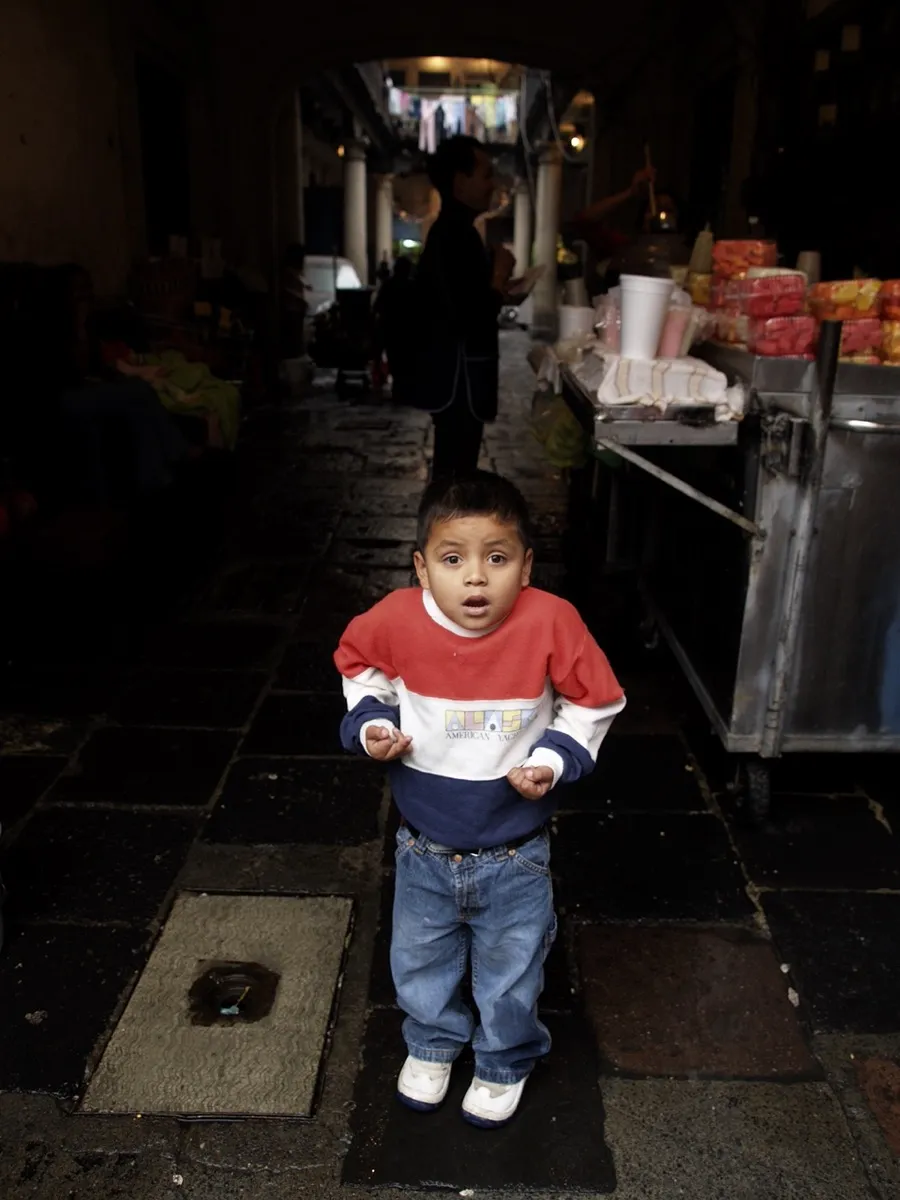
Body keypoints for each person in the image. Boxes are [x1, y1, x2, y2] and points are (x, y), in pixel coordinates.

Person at [334, 472, 625, 1127]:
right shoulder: (395, 619)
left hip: (515, 852)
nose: (474, 577)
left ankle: (503, 1059)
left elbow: (596, 700)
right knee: (418, 959)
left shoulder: (552, 621)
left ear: (526, 567)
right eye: (452, 559)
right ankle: (432, 1042)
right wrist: (373, 722)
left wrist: (552, 759)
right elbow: (357, 665)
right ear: (421, 568)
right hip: (422, 846)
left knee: (512, 969)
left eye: (496, 558)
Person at [410, 137, 517, 478]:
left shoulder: (457, 232)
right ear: (459, 182)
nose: (493, 184)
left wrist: (498, 287)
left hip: (458, 381)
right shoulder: (454, 236)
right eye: (486, 175)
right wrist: (498, 277)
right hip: (459, 382)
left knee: (454, 470)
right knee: (455, 473)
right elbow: (466, 316)